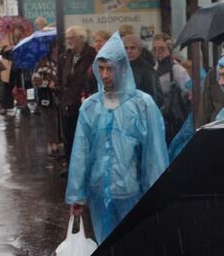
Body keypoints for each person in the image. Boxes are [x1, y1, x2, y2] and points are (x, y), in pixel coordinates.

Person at [65, 33, 168, 243]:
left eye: (110, 68)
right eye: (101, 68)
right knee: (105, 249)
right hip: (98, 194)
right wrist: (77, 194)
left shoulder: (142, 105)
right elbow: (80, 152)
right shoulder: (90, 107)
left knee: (133, 248)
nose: (104, 75)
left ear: (122, 68)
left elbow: (154, 152)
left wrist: (155, 195)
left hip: (132, 194)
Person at [56, 26, 97, 163]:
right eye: (67, 38)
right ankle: (70, 165)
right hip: (67, 104)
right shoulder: (65, 56)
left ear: (81, 38)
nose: (68, 41)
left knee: (85, 138)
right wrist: (61, 97)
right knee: (68, 137)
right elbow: (60, 79)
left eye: (71, 38)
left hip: (84, 104)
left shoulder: (92, 55)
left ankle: (85, 166)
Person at [152, 32, 192, 143]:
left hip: (174, 119)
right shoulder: (154, 68)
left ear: (169, 49)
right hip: (159, 118)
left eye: (161, 49)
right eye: (155, 49)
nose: (157, 52)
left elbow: (189, 93)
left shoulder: (177, 70)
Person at [120, 28, 163, 107]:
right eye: (126, 48)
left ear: (139, 51)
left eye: (132, 48)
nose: (129, 51)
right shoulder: (119, 68)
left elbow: (157, 98)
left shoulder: (147, 70)